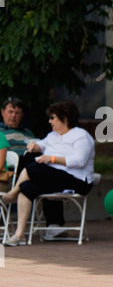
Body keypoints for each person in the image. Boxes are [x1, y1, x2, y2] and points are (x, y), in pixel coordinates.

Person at [2, 100, 95, 246]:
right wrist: (34, 145)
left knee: (37, 167)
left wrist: (51, 158)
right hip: (55, 178)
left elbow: (80, 160)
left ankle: (13, 192)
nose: (50, 121)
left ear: (64, 118)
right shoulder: (53, 135)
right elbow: (42, 145)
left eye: (53, 118)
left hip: (78, 180)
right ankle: (19, 234)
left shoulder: (81, 136)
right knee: (27, 187)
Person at [0, 97, 67, 239]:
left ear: (22, 115)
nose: (13, 116)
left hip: (33, 167)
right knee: (38, 165)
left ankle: (53, 226)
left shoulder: (28, 133)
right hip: (13, 170)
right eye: (10, 112)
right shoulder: (0, 132)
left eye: (17, 113)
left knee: (49, 174)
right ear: (2, 113)